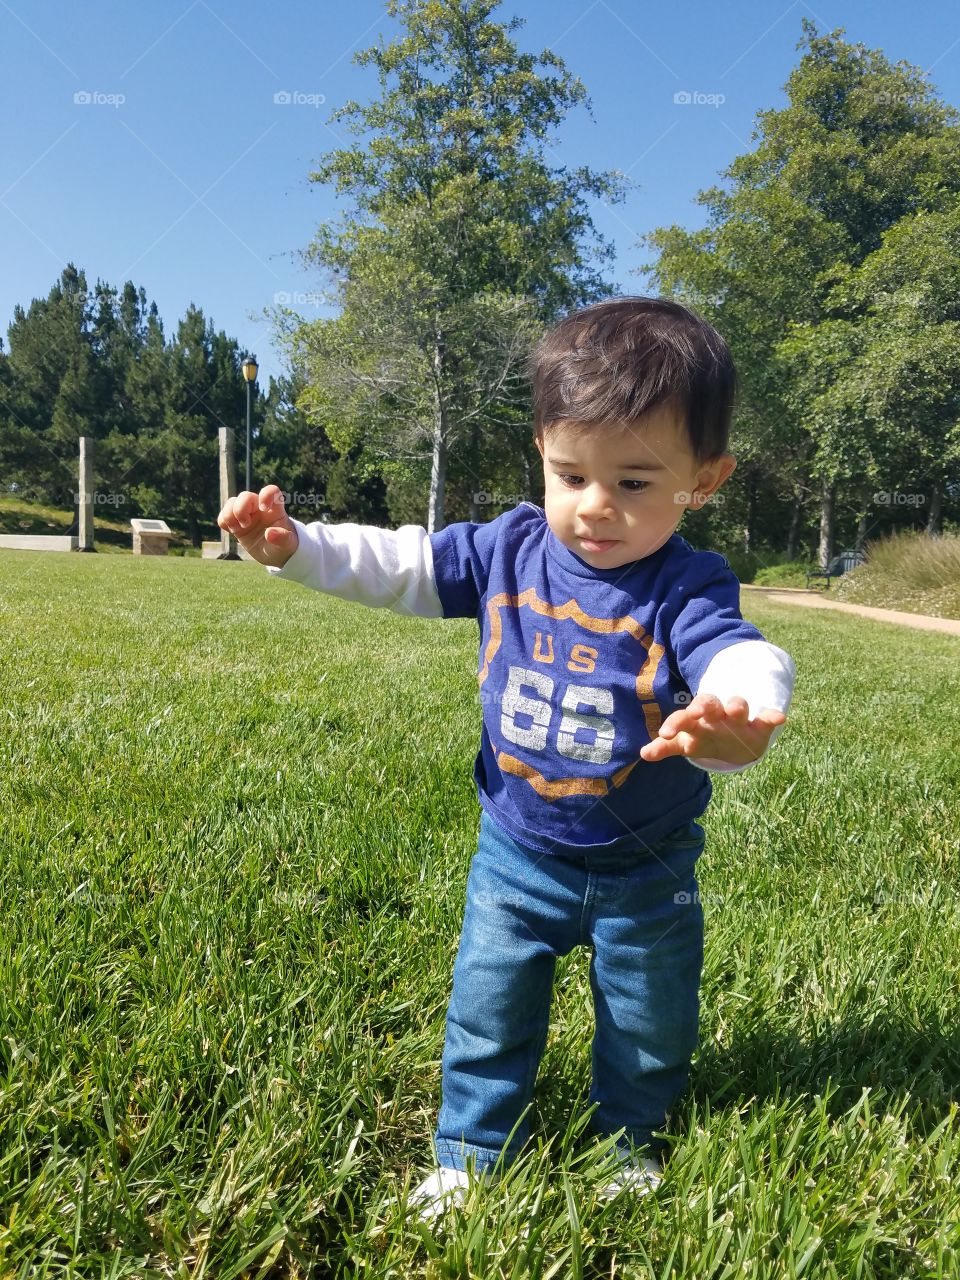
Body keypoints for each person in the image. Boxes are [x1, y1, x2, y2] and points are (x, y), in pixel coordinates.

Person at [218, 297, 796, 1223]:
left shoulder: (686, 583)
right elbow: (403, 566)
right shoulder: (510, 549)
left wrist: (744, 704)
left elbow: (737, 647)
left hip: (645, 866)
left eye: (637, 484)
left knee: (649, 1023)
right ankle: (471, 1155)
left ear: (706, 479)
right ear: (541, 451)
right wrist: (299, 547)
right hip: (516, 852)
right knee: (487, 1009)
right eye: (572, 474)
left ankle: (630, 1145)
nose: (597, 508)